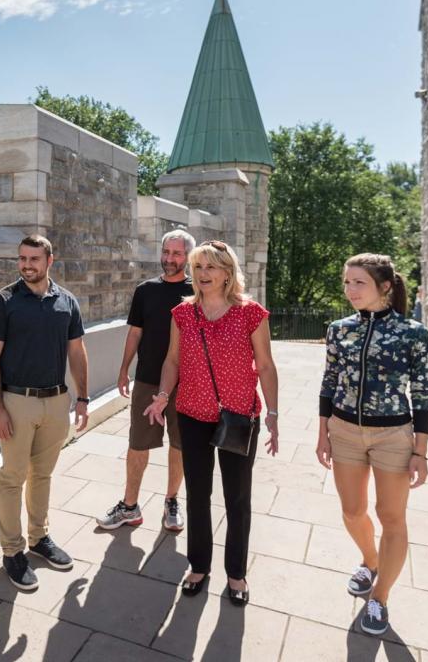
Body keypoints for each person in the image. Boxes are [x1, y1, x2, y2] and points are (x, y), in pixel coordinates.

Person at [144, 240, 279, 605]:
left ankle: (236, 574)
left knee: (237, 499)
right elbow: (172, 361)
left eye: (211, 267)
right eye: (198, 267)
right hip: (191, 414)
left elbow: (265, 366)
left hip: (239, 417)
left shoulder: (251, 313)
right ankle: (199, 566)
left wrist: (274, 414)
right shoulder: (183, 314)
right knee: (198, 495)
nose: (203, 274)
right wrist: (162, 395)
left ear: (226, 272)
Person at [315, 253, 428, 637]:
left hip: (393, 435)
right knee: (352, 512)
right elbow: (329, 381)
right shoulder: (339, 329)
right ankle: (371, 560)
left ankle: (379, 598)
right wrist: (323, 433)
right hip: (344, 430)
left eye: (359, 282)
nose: (350, 290)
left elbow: (424, 395)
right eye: (346, 282)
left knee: (392, 517)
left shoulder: (413, 333)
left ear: (384, 286)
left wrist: (420, 451)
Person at [0, 234, 89, 592]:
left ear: (49, 261)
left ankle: (39, 538)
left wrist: (83, 398)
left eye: (34, 259)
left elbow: (77, 352)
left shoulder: (67, 301)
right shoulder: (3, 302)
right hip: (16, 402)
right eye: (22, 258)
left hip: (57, 401)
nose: (27, 265)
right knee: (13, 477)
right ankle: (12, 552)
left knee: (43, 474)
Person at [99, 229, 194, 532]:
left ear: (188, 257)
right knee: (137, 443)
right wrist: (123, 368)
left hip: (187, 384)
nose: (169, 259)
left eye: (177, 253)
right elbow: (135, 332)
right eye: (166, 252)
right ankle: (130, 506)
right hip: (148, 380)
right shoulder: (145, 290)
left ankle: (172, 501)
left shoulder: (199, 292)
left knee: (180, 444)